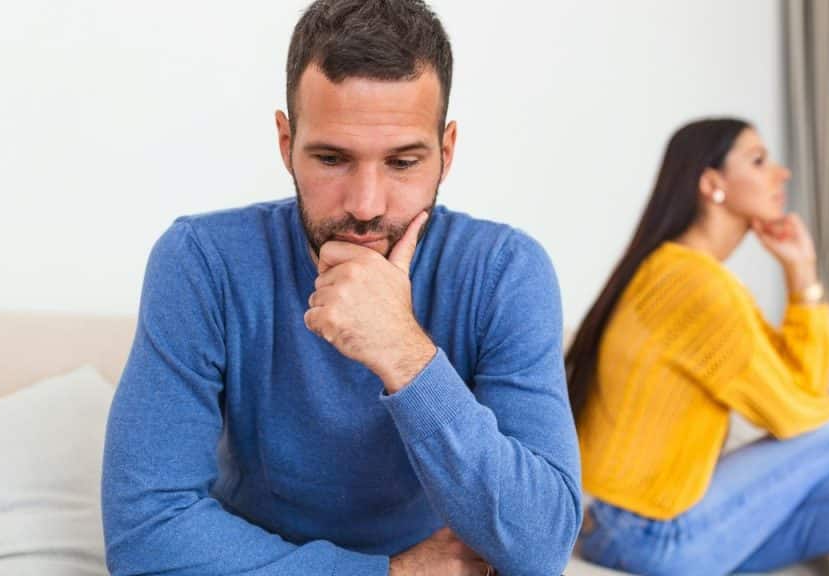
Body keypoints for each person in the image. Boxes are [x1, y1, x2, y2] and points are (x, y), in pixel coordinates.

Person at [101, 1, 581, 574]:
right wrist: (390, 572)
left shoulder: (506, 272)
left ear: (446, 152)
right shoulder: (202, 262)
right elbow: (144, 533)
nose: (366, 205)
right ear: (286, 142)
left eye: (403, 162)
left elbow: (543, 545)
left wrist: (404, 353)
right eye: (332, 158)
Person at [565, 118, 829, 576]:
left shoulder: (687, 273)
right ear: (712, 184)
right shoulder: (694, 284)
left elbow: (804, 395)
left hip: (623, 528)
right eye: (759, 160)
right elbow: (801, 413)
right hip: (645, 533)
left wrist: (802, 275)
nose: (781, 174)